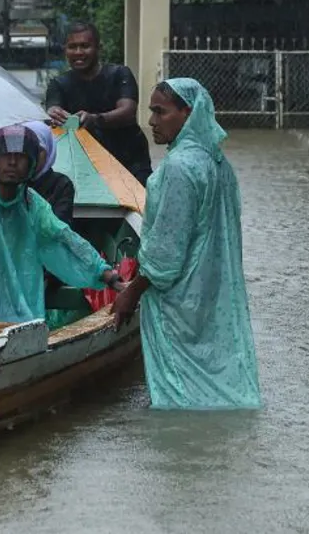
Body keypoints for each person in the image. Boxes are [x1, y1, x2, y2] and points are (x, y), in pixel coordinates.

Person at [112, 78, 261, 410]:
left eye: (160, 112)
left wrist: (131, 293)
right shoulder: (218, 164)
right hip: (212, 294)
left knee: (178, 394)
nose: (151, 121)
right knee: (217, 381)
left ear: (187, 113)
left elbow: (165, 254)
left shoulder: (179, 167)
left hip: (178, 301)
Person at [0, 123, 121, 323]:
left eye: (20, 156)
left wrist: (107, 275)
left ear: (32, 163)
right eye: (6, 155)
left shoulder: (33, 205)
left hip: (22, 316)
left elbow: (65, 238)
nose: (12, 162)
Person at [45, 21, 154, 182]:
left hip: (129, 161)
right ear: (65, 50)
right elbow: (52, 109)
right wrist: (55, 114)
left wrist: (95, 119)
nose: (78, 52)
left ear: (98, 48)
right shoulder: (59, 84)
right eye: (72, 47)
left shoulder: (119, 74)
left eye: (85, 46)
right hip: (85, 167)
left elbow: (128, 112)